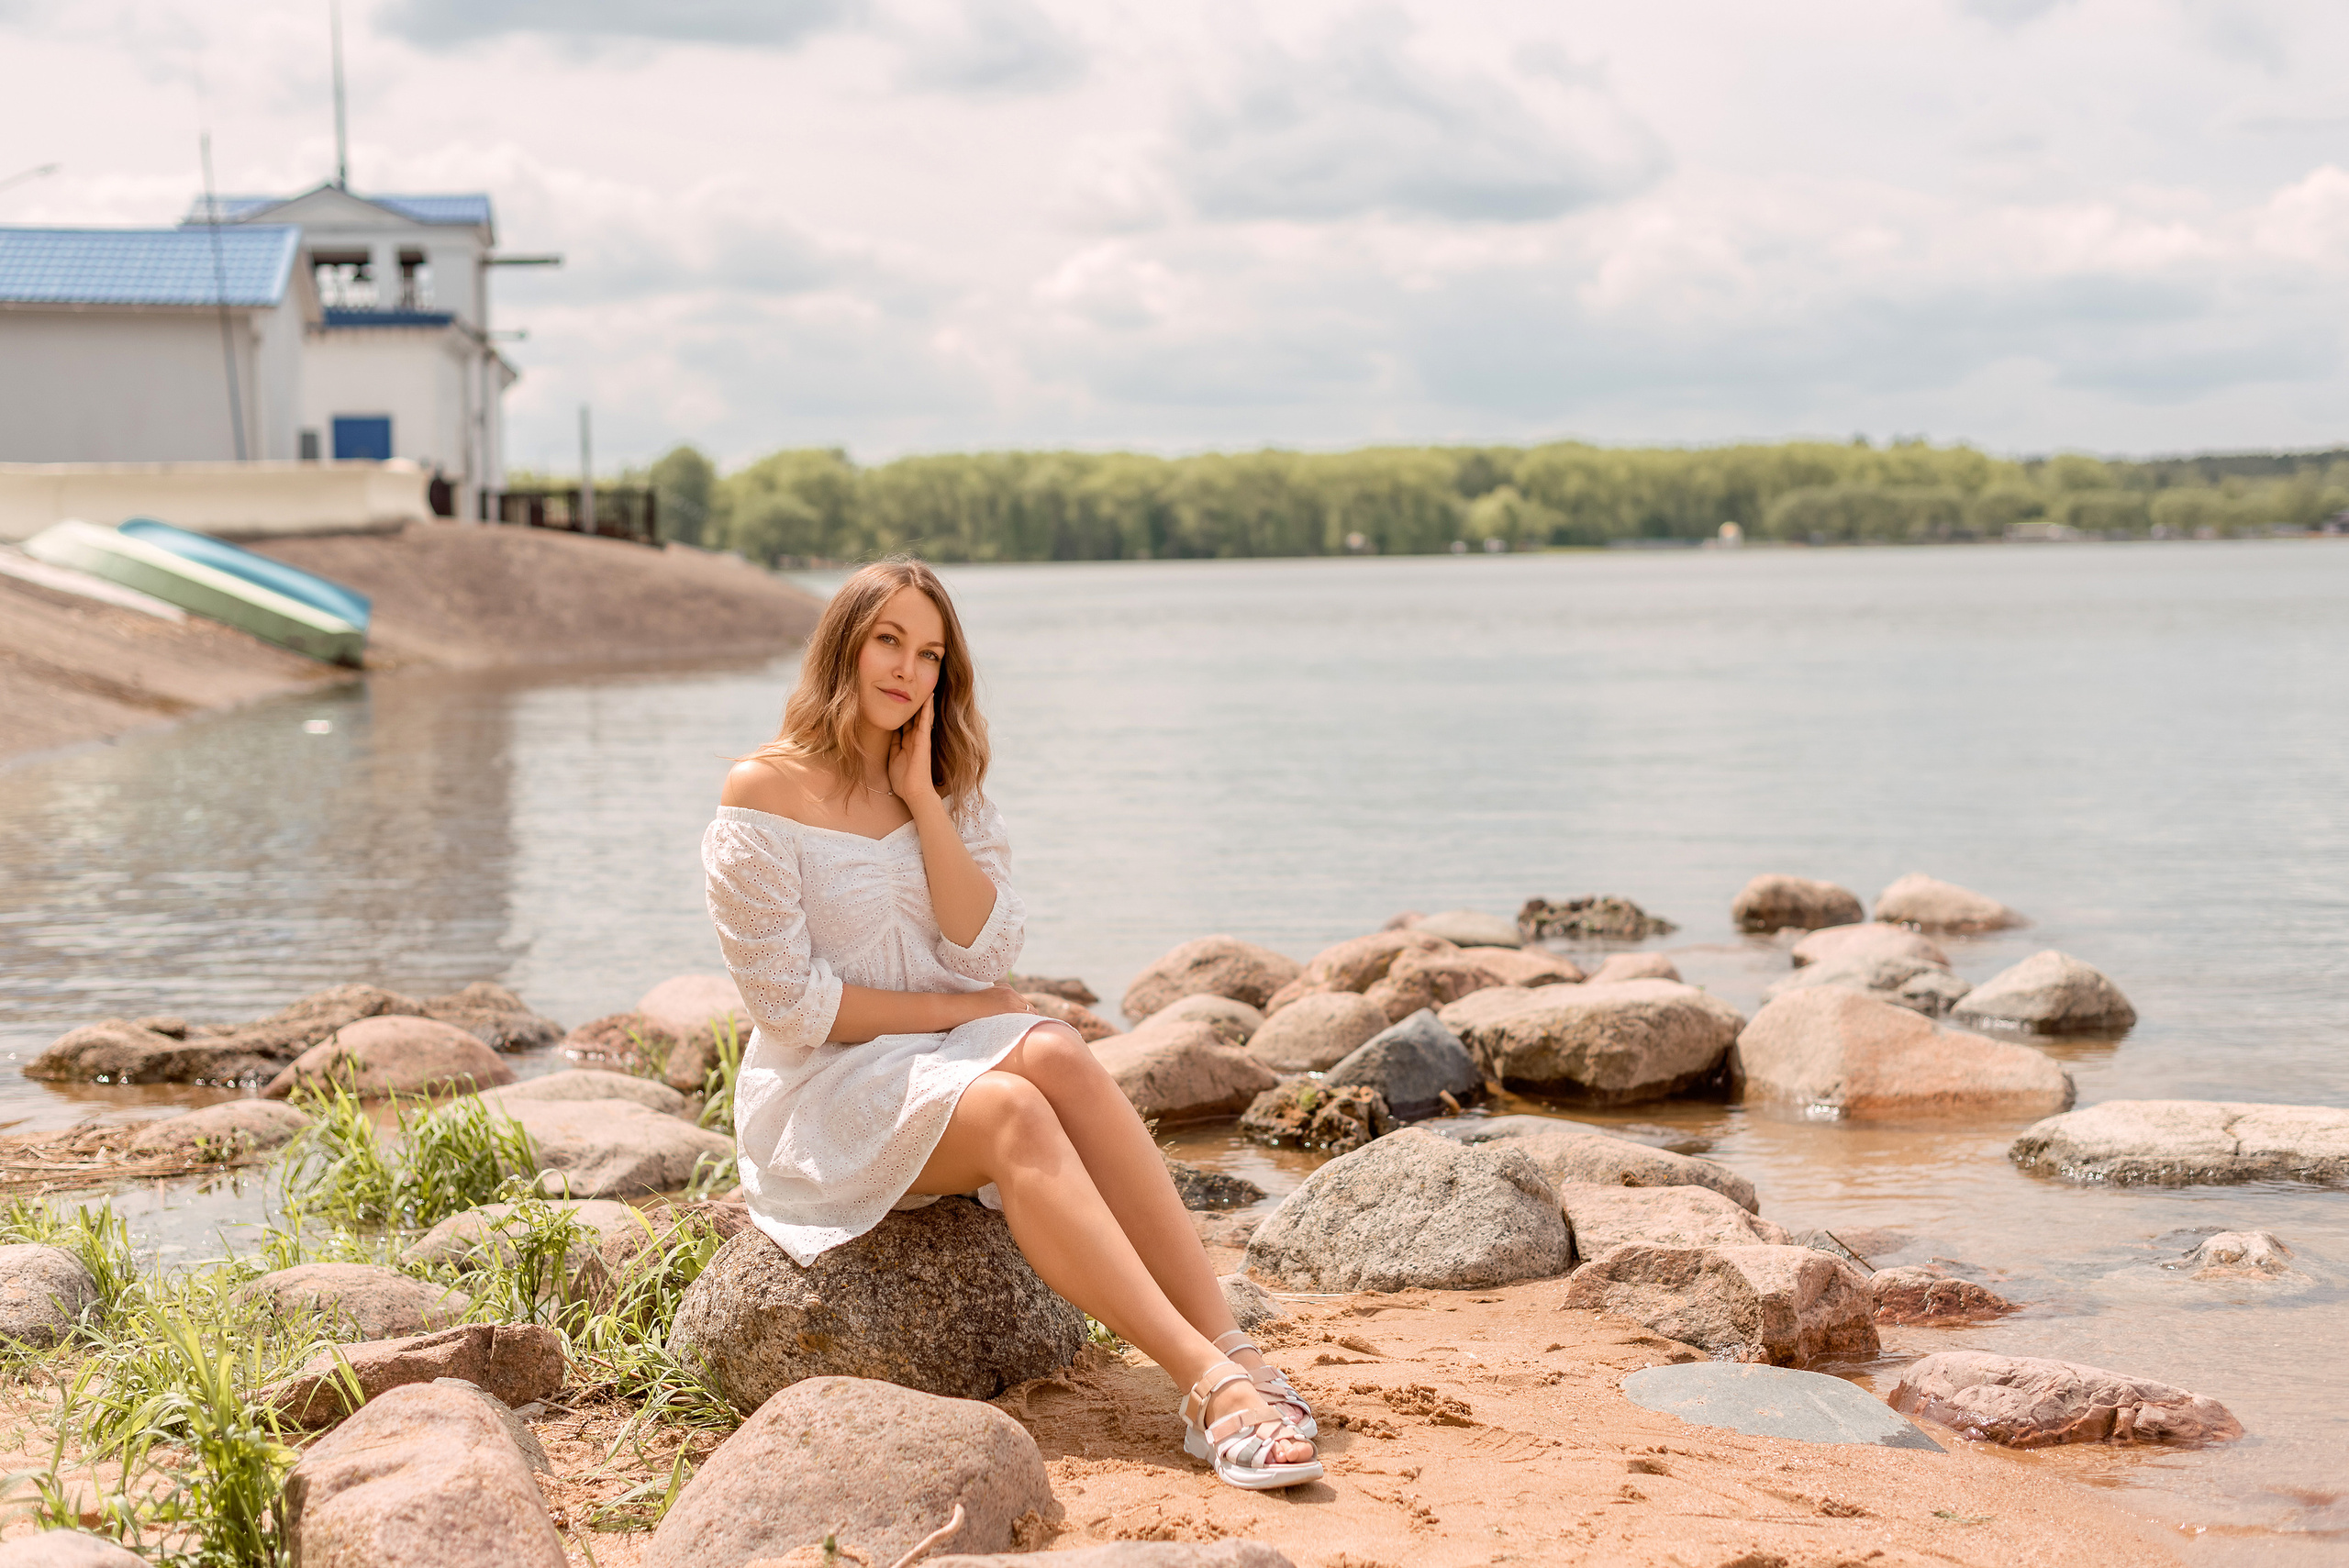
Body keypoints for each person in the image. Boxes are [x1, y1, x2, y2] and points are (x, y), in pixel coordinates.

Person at [704, 557, 1320, 1491]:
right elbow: (789, 1005)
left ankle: (1228, 1341)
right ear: (843, 644)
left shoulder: (942, 785)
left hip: (928, 1060)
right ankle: (1207, 1384)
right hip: (820, 1088)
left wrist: (919, 801)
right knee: (1012, 1111)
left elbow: (980, 952)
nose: (908, 669)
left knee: (1057, 1049)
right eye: (888, 641)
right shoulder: (762, 792)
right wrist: (965, 1012)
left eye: (931, 653)